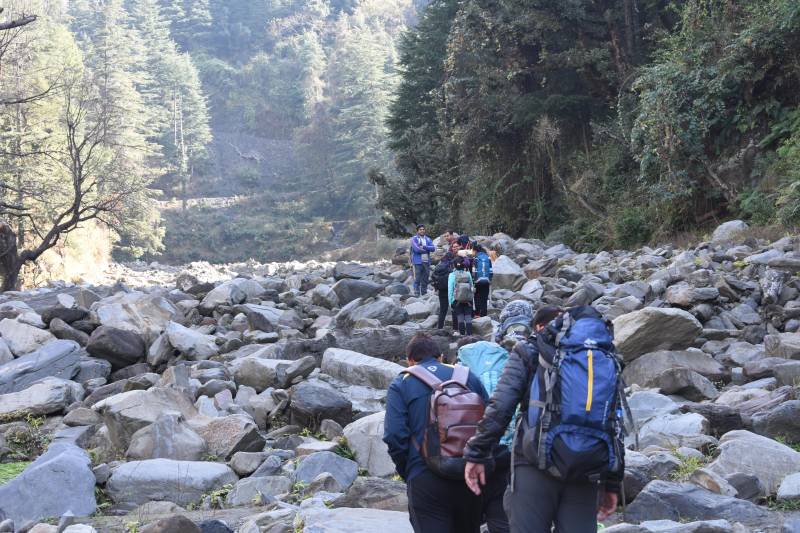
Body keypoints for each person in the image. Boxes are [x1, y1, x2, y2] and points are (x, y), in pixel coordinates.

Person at [463, 306, 623, 533]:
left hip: (534, 463)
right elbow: (614, 422)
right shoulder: (604, 357)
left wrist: (477, 452)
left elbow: (501, 406)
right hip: (586, 469)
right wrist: (613, 481)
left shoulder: (531, 349)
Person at [383, 333, 488, 533]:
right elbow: (491, 422)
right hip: (468, 474)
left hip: (425, 476)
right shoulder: (467, 376)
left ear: (410, 360)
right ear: (441, 357)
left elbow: (394, 435)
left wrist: (409, 471)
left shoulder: (402, 382)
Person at [457, 336, 512, 533]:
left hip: (469, 455)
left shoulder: (459, 372)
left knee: (468, 516)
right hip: (505, 452)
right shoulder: (505, 365)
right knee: (501, 515)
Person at [448, 257, 475, 335]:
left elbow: (450, 290)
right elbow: (471, 287)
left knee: (460, 318)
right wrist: (472, 301)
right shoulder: (468, 274)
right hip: (468, 300)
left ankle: (462, 336)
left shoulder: (452, 275)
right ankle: (470, 335)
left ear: (454, 265)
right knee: (468, 318)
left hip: (456, 300)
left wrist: (450, 302)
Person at [431, 250, 456, 329]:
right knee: (454, 309)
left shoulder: (438, 266)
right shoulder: (450, 266)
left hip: (441, 290)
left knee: (443, 310)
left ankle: (440, 327)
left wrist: (436, 287)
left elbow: (433, 277)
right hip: (451, 290)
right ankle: (455, 328)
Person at [410, 224, 436, 296]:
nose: (422, 231)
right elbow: (417, 249)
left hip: (426, 261)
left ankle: (424, 293)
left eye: (423, 229)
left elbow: (433, 248)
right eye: (420, 229)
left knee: (425, 278)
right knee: (417, 278)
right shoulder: (414, 239)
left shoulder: (428, 239)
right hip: (417, 261)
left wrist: (424, 247)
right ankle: (416, 293)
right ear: (417, 231)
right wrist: (427, 249)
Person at [473, 245, 493, 317]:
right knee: (484, 298)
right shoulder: (488, 257)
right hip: (486, 280)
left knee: (477, 297)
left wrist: (474, 280)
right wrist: (490, 279)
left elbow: (474, 270)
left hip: (478, 281)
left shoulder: (476, 258)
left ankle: (477, 313)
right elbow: (491, 270)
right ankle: (484, 314)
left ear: (475, 251)